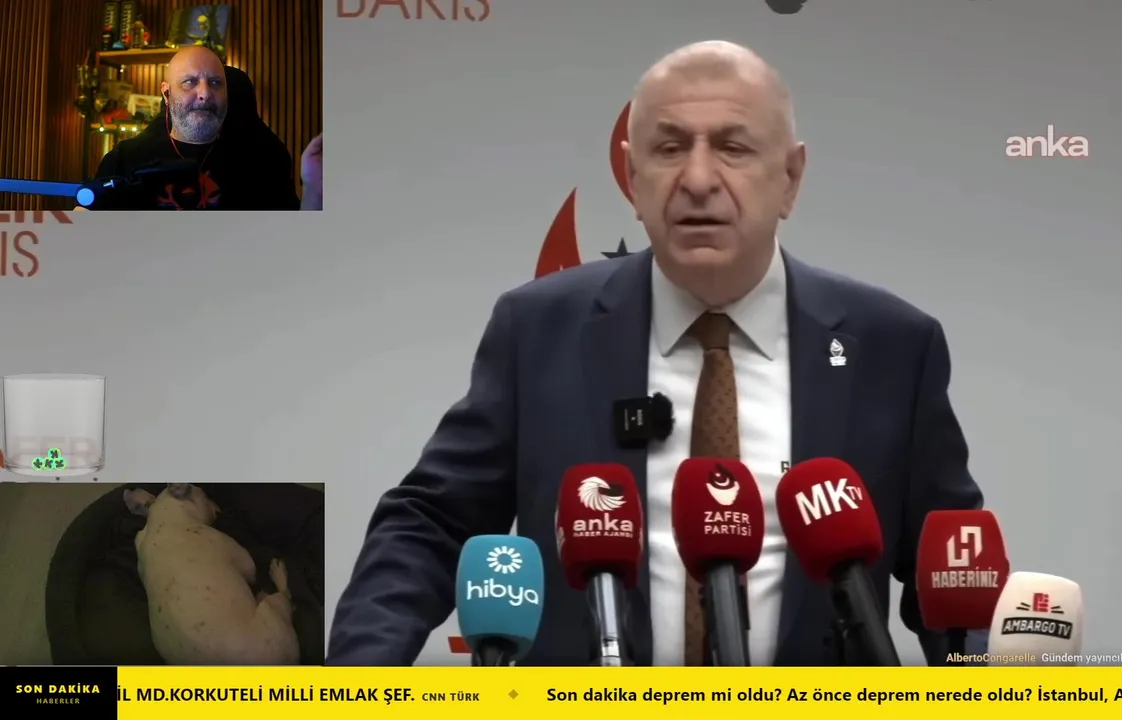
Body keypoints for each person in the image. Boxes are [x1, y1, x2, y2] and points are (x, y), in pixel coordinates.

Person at [328, 41, 984, 666]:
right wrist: (357, 681)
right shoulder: (538, 328)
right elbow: (432, 523)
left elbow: (951, 579)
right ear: (632, 176)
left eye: (732, 147)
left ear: (790, 178)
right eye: (669, 148)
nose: (697, 179)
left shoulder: (892, 346)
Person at [90, 46, 322, 210]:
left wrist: (313, 189)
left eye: (215, 83)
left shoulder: (263, 162)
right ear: (166, 93)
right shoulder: (123, 161)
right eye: (189, 82)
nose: (205, 93)